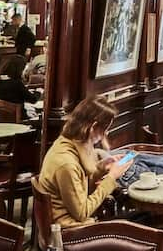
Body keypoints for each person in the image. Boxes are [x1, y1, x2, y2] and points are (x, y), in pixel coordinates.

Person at [38, 95, 134, 226]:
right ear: (93, 127)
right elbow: (82, 213)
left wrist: (102, 167)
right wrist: (111, 178)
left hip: (71, 222)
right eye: (105, 129)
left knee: (136, 218)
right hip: (70, 229)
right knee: (136, 227)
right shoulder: (66, 163)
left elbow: (79, 184)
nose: (106, 134)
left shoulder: (66, 143)